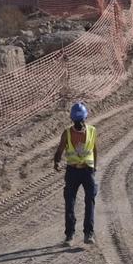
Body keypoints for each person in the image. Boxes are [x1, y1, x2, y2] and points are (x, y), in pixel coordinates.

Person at [53, 102, 98, 245]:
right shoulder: (67, 133)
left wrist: (94, 167)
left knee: (87, 200)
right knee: (71, 202)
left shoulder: (91, 131)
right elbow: (59, 151)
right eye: (77, 120)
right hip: (74, 171)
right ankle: (72, 235)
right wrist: (57, 162)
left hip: (85, 171)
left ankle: (86, 234)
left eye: (80, 120)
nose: (79, 123)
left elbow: (94, 149)